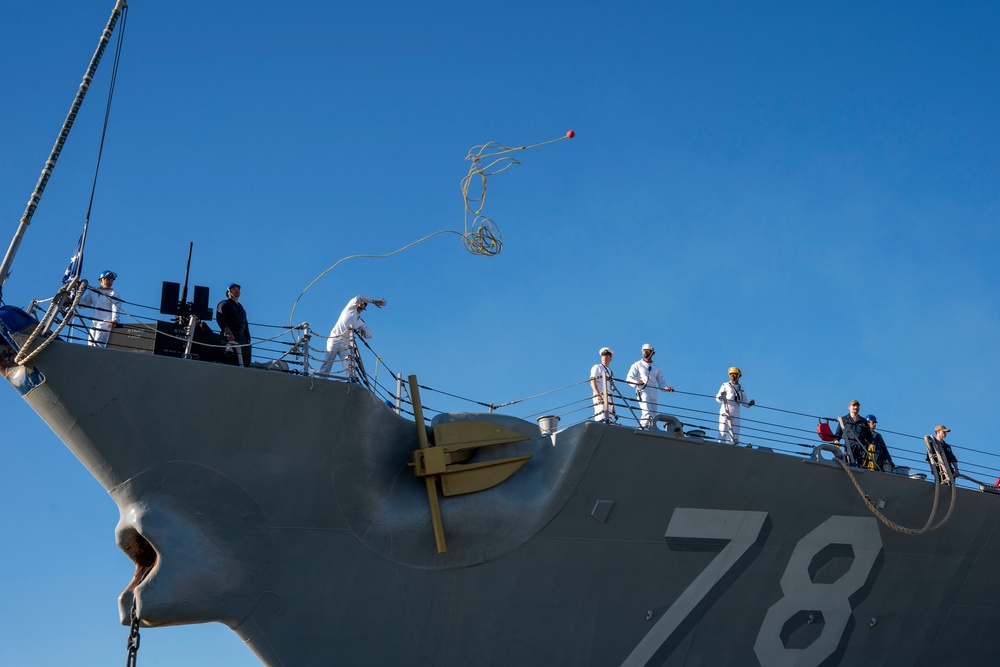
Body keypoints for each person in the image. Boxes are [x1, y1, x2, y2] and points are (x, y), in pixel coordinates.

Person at [320, 295, 387, 380]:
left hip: (346, 344)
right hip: (335, 339)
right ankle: (321, 380)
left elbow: (370, 334)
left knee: (350, 367)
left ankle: (352, 383)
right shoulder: (350, 308)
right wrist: (374, 301)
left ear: (364, 307)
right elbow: (359, 297)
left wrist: (364, 332)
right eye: (362, 301)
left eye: (364, 303)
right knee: (328, 362)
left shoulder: (360, 322)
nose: (362, 302)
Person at [626, 343, 674, 429]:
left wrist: (667, 388)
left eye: (647, 351)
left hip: (653, 392)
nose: (644, 352)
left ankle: (650, 429)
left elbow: (661, 382)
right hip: (642, 390)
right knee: (646, 412)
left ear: (652, 353)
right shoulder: (637, 364)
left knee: (653, 415)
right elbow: (629, 378)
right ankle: (643, 428)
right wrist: (636, 382)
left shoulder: (657, 368)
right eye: (643, 351)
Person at [79, 269, 121, 347]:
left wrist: (114, 320)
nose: (110, 282)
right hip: (94, 323)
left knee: (98, 345)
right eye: (108, 279)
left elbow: (116, 308)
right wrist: (78, 293)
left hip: (106, 323)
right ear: (101, 280)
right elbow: (82, 305)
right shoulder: (93, 292)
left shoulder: (114, 294)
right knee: (90, 345)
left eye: (112, 280)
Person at [716, 366, 755, 445]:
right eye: (731, 374)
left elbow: (744, 402)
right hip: (725, 412)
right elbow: (717, 398)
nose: (732, 376)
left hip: (736, 413)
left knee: (735, 436)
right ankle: (720, 448)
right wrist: (722, 396)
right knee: (722, 433)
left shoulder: (741, 388)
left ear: (738, 376)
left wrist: (749, 404)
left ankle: (734, 449)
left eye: (734, 374)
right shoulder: (725, 385)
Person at [216, 283, 252, 367]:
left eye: (238, 289)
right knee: (230, 358)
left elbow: (245, 324)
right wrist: (227, 331)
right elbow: (220, 317)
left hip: (241, 336)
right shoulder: (224, 304)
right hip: (231, 334)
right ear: (229, 292)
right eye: (234, 289)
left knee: (243, 359)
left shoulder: (241, 309)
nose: (237, 291)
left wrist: (248, 338)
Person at [833, 400, 873, 466]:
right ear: (849, 407)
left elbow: (869, 436)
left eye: (857, 406)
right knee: (849, 465)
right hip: (850, 446)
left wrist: (871, 443)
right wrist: (836, 440)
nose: (856, 407)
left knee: (863, 467)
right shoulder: (843, 419)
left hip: (862, 447)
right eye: (854, 405)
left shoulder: (863, 421)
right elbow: (838, 433)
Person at [590, 347, 618, 423]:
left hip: (608, 396)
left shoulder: (611, 372)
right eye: (603, 355)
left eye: (607, 355)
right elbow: (593, 382)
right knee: (601, 417)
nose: (605, 357)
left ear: (610, 358)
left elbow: (610, 389)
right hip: (600, 394)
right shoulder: (597, 367)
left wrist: (612, 405)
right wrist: (598, 395)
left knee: (609, 418)